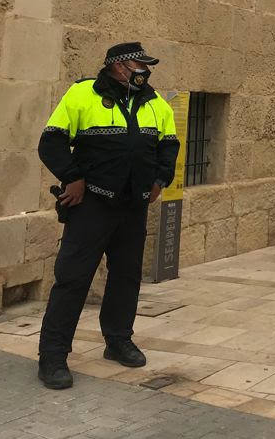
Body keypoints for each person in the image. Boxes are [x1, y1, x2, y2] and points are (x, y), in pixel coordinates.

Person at [36, 42, 179, 390]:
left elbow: (169, 145)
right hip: (92, 206)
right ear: (117, 65)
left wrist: (160, 179)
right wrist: (73, 178)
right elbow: (50, 142)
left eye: (147, 65)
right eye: (138, 64)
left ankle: (118, 340)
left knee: (126, 278)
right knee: (72, 279)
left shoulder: (156, 103)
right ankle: (53, 356)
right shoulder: (83, 93)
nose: (145, 70)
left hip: (133, 207)